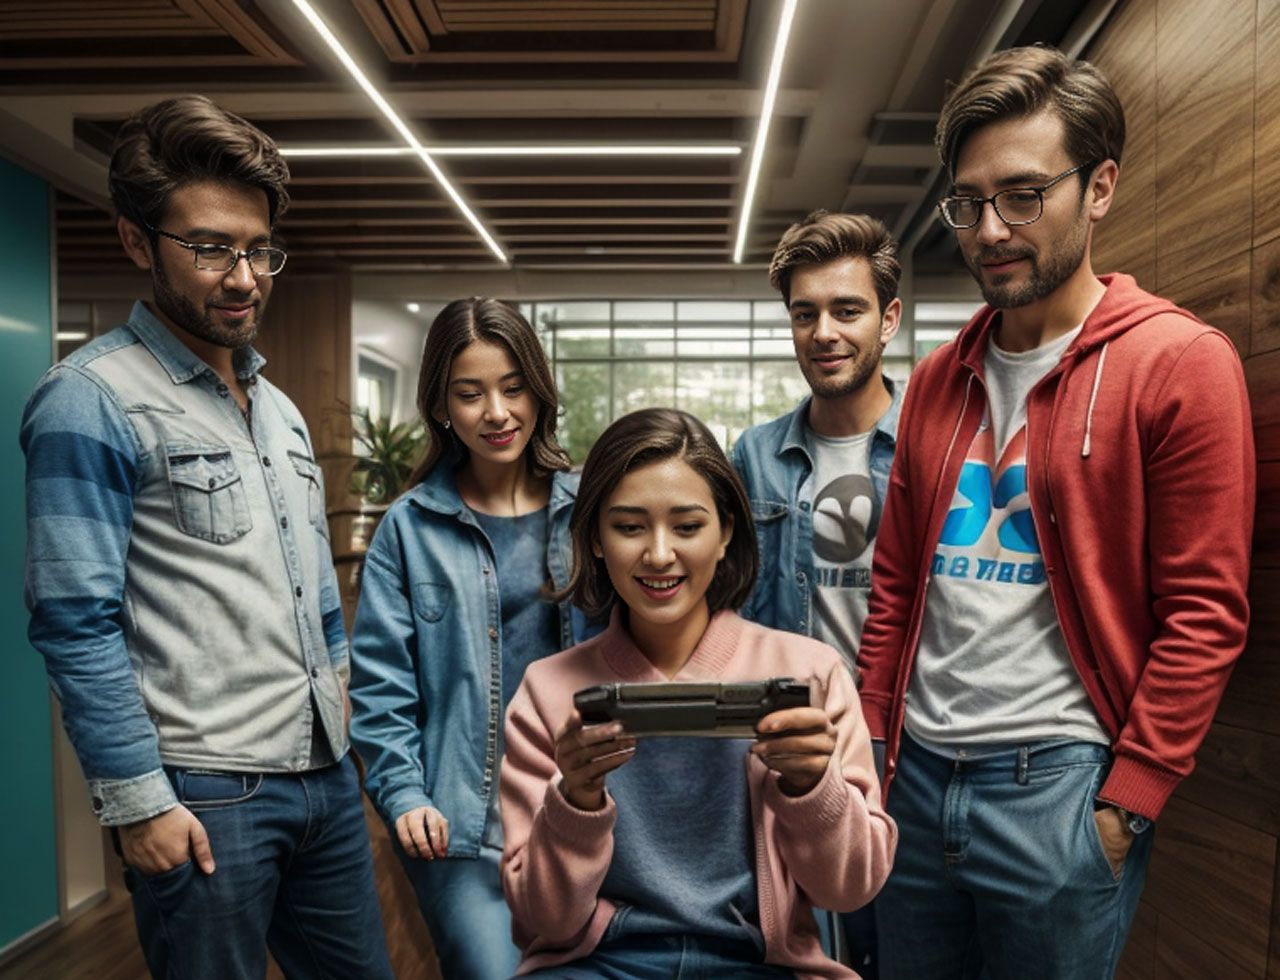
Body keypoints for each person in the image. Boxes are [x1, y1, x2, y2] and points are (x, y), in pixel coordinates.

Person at [857, 45, 1255, 979]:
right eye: (969, 203)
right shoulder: (933, 381)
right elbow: (897, 582)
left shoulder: (1178, 364)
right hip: (913, 783)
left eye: (1025, 196)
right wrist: (874, 754)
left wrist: (1124, 808)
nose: (991, 228)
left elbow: (1207, 612)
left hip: (1059, 793)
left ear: (1101, 187)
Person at [20, 95, 393, 979]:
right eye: (210, 247)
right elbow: (75, 619)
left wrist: (346, 728)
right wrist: (138, 802)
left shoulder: (283, 412)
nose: (244, 277)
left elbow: (312, 601)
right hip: (206, 790)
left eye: (259, 250)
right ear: (136, 242)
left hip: (326, 777)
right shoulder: (90, 397)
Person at [500, 407, 896, 978]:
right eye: (630, 526)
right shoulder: (548, 690)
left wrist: (814, 788)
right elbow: (546, 921)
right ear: (592, 539)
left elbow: (850, 889)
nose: (659, 555)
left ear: (726, 530)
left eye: (687, 526)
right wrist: (575, 804)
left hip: (758, 962)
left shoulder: (811, 673)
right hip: (600, 962)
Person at [349, 297, 592, 979]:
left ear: (539, 392)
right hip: (460, 819)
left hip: (579, 802)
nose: (497, 412)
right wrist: (403, 794)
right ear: (440, 406)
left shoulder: (589, 514)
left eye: (514, 388)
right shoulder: (408, 527)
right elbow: (379, 686)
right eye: (470, 393)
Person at [731, 210, 903, 975]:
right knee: (805, 948)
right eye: (806, 314)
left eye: (847, 310)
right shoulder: (756, 455)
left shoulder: (936, 445)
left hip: (909, 743)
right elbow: (728, 603)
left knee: (898, 944)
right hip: (796, 743)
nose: (824, 332)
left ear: (889, 319)